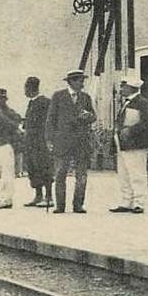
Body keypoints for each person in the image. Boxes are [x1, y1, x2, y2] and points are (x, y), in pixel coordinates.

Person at [46, 69, 97, 214]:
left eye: (83, 81)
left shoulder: (86, 97)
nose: (82, 83)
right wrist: (49, 140)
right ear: (72, 81)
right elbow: (51, 119)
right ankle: (60, 206)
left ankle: (78, 205)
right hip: (62, 141)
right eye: (80, 81)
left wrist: (88, 115)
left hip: (81, 142)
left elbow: (93, 117)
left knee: (81, 175)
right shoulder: (58, 96)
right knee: (60, 173)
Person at [110, 74, 148, 214]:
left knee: (137, 173)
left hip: (136, 144)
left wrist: (131, 130)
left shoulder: (142, 102)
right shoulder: (127, 102)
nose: (121, 89)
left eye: (123, 86)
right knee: (124, 174)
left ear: (132, 87)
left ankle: (138, 202)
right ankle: (126, 201)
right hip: (123, 143)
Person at [22, 77, 53, 207]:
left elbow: (49, 122)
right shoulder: (31, 103)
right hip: (31, 142)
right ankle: (38, 196)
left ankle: (49, 197)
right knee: (33, 169)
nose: (24, 91)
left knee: (44, 168)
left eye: (26, 88)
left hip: (41, 142)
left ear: (31, 88)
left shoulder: (45, 102)